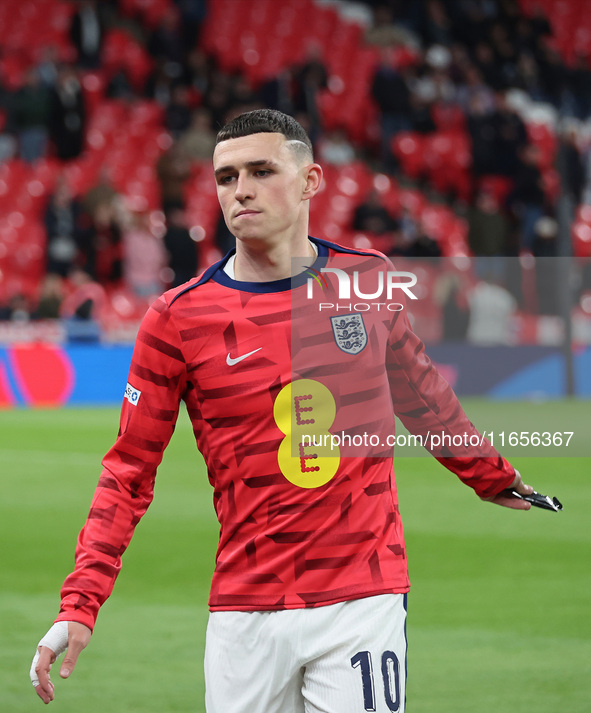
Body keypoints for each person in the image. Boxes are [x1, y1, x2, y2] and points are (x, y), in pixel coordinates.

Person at [31, 109, 535, 712]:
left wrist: (491, 475)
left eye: (261, 170)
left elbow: (426, 399)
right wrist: (80, 602)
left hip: (361, 597)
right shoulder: (177, 318)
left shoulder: (365, 282)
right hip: (245, 611)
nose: (240, 189)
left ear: (310, 181)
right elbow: (129, 470)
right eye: (225, 177)